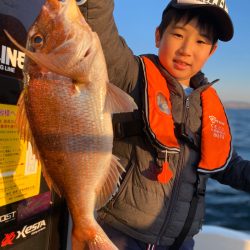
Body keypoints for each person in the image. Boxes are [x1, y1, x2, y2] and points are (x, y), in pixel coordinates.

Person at [80, 0, 250, 249]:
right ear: (159, 36)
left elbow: (227, 165)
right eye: (178, 34)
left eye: (200, 42)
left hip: (181, 242)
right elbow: (98, 27)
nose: (186, 49)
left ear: (211, 51)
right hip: (121, 235)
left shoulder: (206, 104)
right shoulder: (133, 76)